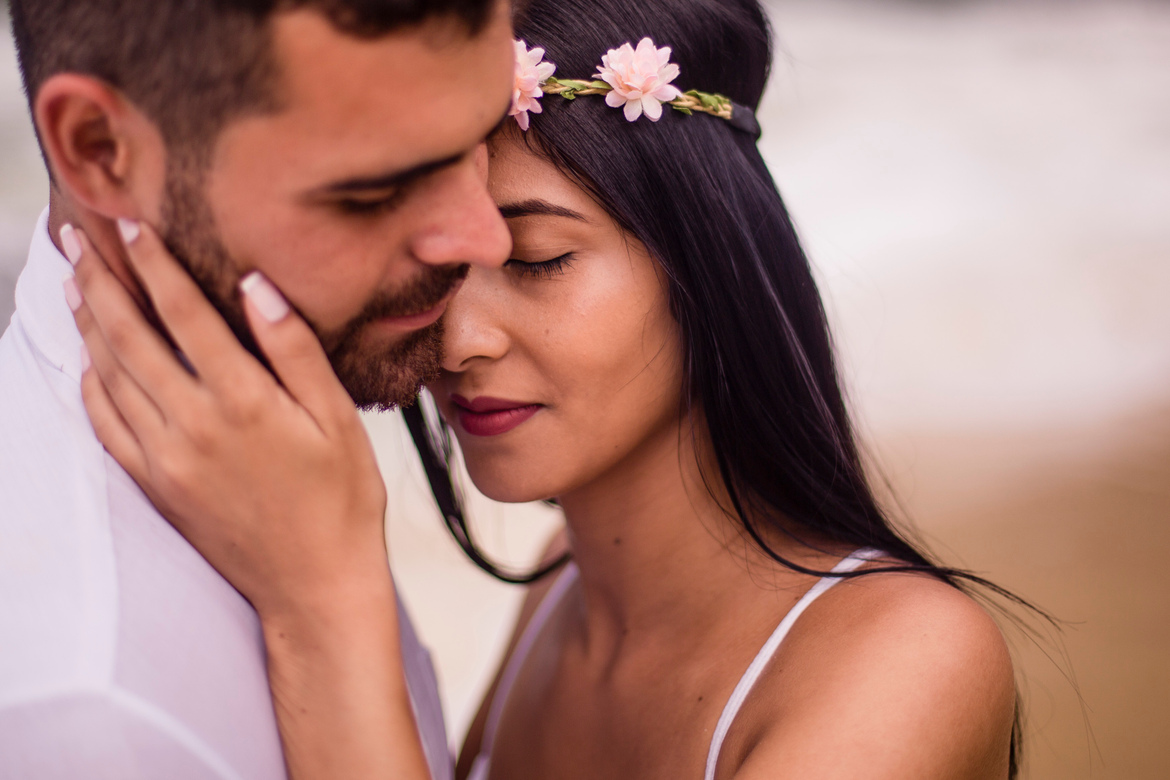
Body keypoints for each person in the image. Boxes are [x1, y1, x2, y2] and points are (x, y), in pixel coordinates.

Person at [62, 0, 1024, 777]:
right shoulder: (563, 591)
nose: (459, 342)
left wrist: (323, 599)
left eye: (537, 257)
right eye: (435, 269)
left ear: (712, 263)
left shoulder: (908, 662)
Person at [0, 0, 514, 777]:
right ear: (101, 151)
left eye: (481, 138)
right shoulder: (93, 716)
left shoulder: (272, 456)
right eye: (371, 194)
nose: (488, 238)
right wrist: (327, 611)